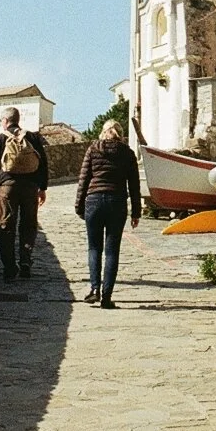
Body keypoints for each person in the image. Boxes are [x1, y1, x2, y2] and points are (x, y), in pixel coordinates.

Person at [74, 120, 141, 308]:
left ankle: (94, 288)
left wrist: (79, 206)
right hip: (116, 203)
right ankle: (106, 297)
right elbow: (134, 186)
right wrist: (136, 211)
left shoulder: (93, 149)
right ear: (120, 134)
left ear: (103, 132)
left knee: (94, 248)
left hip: (93, 202)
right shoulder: (128, 153)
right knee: (112, 251)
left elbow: (83, 180)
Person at [0, 108, 48, 282]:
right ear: (18, 120)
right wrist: (43, 187)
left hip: (7, 188)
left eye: (1, 120)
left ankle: (10, 268)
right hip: (30, 188)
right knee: (29, 225)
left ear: (5, 120)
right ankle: (25, 261)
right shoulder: (32, 137)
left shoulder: (0, 139)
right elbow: (44, 163)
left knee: (6, 227)